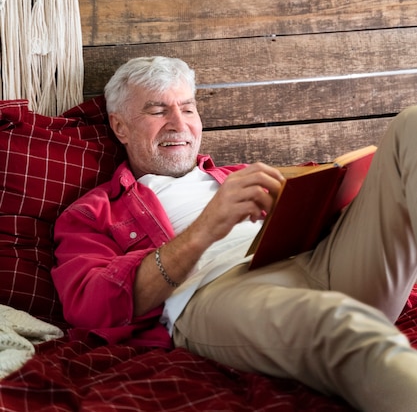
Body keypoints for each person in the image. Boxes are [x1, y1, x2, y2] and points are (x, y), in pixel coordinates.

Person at [52, 56, 417, 412]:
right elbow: (89, 306)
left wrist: (328, 202)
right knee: (340, 323)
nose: (179, 123)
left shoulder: (239, 175)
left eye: (188, 108)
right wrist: (206, 229)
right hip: (219, 291)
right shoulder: (93, 212)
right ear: (120, 127)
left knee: (411, 125)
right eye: (157, 111)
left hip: (317, 261)